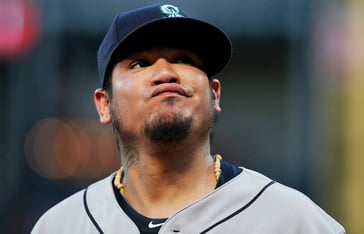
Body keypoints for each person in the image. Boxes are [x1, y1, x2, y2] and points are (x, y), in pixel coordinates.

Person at [31, 4, 345, 234]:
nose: (166, 73)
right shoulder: (61, 225)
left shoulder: (290, 220)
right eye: (140, 63)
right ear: (104, 104)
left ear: (215, 94)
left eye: (184, 60)